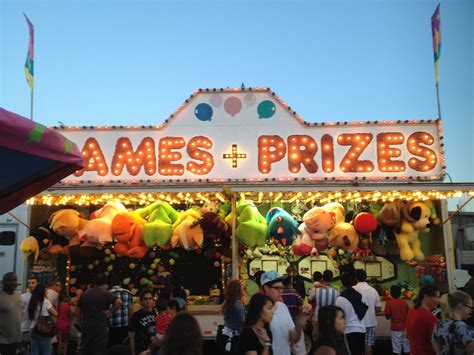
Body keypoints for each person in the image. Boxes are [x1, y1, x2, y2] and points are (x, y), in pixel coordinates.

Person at [261, 271, 310, 355]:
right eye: (277, 288)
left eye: (282, 288)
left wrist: (299, 325)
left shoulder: (283, 307)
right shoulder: (259, 310)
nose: (281, 291)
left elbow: (293, 339)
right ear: (266, 288)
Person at [77, 272, 119, 355]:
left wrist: (79, 322)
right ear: (104, 282)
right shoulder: (106, 293)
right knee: (99, 349)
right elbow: (119, 302)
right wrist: (110, 311)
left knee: (85, 349)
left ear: (94, 281)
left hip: (87, 324)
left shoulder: (85, 294)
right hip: (101, 325)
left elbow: (78, 310)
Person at [432, 290, 474, 355]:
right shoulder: (464, 328)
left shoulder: (438, 325)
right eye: (470, 308)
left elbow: (437, 350)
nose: (471, 311)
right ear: (461, 306)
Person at [335, 272, 367, 355]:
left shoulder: (340, 299)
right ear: (354, 281)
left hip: (349, 330)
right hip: (361, 329)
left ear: (342, 282)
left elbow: (338, 316)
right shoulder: (360, 295)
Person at [353, 269, 381, 355]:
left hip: (356, 323)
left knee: (356, 346)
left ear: (356, 278)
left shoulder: (352, 290)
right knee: (368, 345)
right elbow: (378, 308)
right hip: (370, 323)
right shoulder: (373, 290)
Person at [406, 284, 440, 355]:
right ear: (426, 296)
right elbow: (437, 344)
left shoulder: (411, 312)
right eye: (436, 297)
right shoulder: (430, 318)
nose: (438, 301)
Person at [309, 270, 339, 341]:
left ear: (322, 278)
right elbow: (336, 305)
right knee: (329, 339)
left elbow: (310, 299)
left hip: (317, 317)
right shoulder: (336, 291)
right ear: (332, 279)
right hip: (330, 318)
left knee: (317, 338)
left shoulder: (316, 289)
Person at [28, 283, 58, 355]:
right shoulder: (45, 301)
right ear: (42, 292)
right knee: (46, 352)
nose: (47, 292)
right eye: (46, 291)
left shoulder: (32, 301)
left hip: (33, 329)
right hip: (44, 330)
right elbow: (55, 314)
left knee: (34, 352)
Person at [218, 279, 245, 354]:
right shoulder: (237, 302)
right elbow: (242, 320)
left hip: (226, 333)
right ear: (238, 289)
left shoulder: (226, 301)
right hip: (236, 335)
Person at [129, 289, 158, 355]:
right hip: (142, 349)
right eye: (145, 299)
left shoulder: (157, 313)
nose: (148, 301)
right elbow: (132, 337)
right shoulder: (136, 316)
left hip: (156, 348)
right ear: (141, 301)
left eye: (150, 298)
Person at [0, 272, 23, 355]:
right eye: (10, 280)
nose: (13, 282)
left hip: (16, 338)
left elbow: (20, 313)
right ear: (4, 282)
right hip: (2, 339)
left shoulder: (18, 295)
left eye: (15, 280)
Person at [109, 274, 133, 348]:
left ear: (111, 283)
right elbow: (130, 309)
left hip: (112, 325)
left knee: (113, 346)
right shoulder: (127, 292)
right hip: (124, 324)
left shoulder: (108, 293)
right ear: (120, 283)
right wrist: (130, 323)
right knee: (123, 346)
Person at [384, 285, 410, 355]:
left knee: (396, 349)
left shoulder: (389, 303)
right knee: (407, 348)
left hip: (395, 328)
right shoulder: (404, 302)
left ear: (391, 294)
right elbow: (408, 314)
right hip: (405, 328)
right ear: (400, 294)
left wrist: (387, 313)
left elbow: (387, 317)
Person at [20, 275, 39, 348]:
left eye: (33, 283)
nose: (30, 285)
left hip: (37, 329)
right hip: (25, 328)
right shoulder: (23, 297)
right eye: (29, 283)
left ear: (38, 284)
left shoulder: (41, 297)